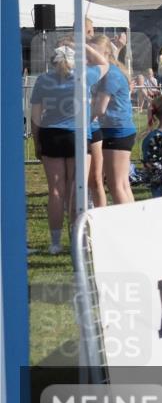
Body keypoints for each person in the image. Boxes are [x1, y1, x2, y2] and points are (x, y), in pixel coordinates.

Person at [30, 43, 109, 253]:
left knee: (56, 191)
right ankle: (79, 240)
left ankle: (55, 243)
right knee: (77, 189)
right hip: (78, 135)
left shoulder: (42, 80)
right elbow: (104, 63)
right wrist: (81, 43)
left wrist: (37, 142)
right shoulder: (84, 77)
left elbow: (36, 116)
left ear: (52, 62)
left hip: (51, 135)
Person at [91, 34, 136, 204]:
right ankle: (133, 222)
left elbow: (100, 109)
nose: (90, 56)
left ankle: (127, 224)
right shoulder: (109, 73)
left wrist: (82, 119)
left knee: (116, 184)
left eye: (94, 52)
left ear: (106, 53)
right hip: (118, 129)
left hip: (116, 131)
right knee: (122, 184)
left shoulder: (111, 74)